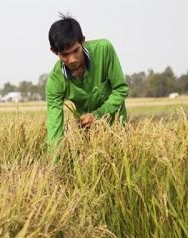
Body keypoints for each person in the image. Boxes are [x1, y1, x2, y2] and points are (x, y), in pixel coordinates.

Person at [46, 13, 129, 150]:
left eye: (75, 51)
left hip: (119, 133)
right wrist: (52, 167)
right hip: (88, 140)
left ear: (82, 41)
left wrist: (97, 115)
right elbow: (55, 126)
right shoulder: (56, 80)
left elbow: (121, 89)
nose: (71, 59)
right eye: (64, 55)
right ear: (55, 52)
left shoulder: (104, 50)